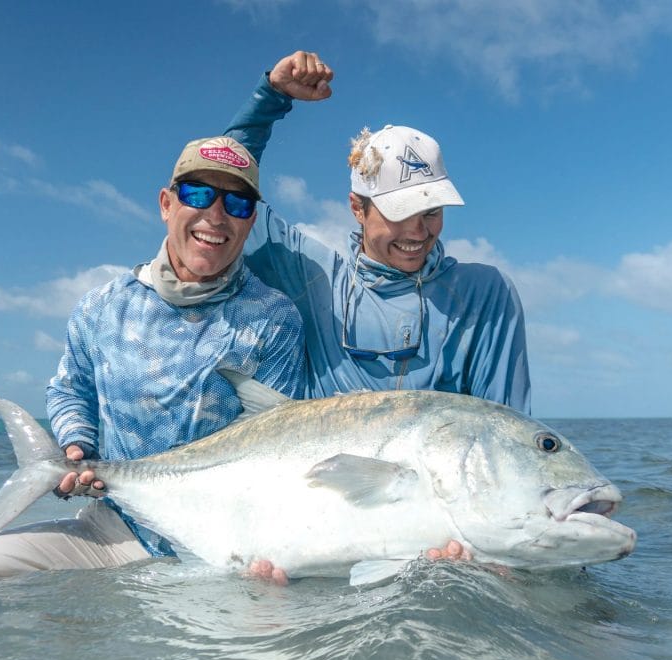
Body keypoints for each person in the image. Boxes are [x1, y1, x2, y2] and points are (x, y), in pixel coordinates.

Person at [0, 135, 306, 583]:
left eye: (237, 203)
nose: (216, 214)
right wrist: (77, 446)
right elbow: (70, 388)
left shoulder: (274, 318)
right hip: (112, 529)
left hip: (220, 546)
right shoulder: (103, 306)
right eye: (199, 193)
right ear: (166, 204)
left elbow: (276, 441)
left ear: (250, 221)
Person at [224, 52, 530, 564]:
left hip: (439, 540)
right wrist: (269, 99)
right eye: (400, 212)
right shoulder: (312, 274)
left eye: (432, 212)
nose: (418, 232)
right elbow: (225, 181)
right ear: (357, 208)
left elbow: (503, 434)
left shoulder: (484, 293)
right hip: (325, 531)